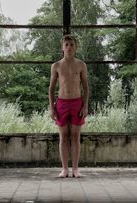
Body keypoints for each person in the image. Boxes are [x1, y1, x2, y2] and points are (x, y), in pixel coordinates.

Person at [49, 34, 89, 178]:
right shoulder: (56, 66)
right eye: (66, 45)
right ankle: (65, 169)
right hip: (61, 103)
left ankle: (76, 169)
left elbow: (86, 87)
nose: (69, 47)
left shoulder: (81, 65)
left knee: (75, 136)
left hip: (77, 102)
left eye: (72, 45)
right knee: (63, 136)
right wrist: (51, 107)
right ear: (62, 48)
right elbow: (51, 88)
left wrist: (85, 106)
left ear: (76, 47)